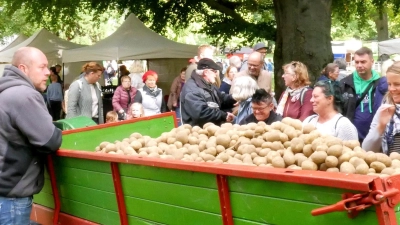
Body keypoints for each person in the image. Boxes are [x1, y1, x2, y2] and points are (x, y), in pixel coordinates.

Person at [0, 47, 62, 224]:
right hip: (12, 195)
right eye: (42, 67)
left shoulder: (5, 91)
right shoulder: (24, 95)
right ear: (23, 69)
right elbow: (50, 140)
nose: (47, 73)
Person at [340, 47, 388, 143]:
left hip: (377, 138)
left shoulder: (382, 84)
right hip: (351, 139)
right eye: (357, 62)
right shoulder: (345, 84)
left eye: (363, 62)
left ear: (372, 61)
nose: (359, 65)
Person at [180, 58, 236, 127]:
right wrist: (223, 115)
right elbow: (201, 114)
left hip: (210, 129)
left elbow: (221, 98)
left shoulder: (208, 84)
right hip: (197, 133)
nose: (216, 75)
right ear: (206, 72)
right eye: (214, 71)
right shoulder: (192, 90)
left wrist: (234, 98)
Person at [363, 61, 400, 154]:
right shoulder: (385, 109)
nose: (391, 89)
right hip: (391, 167)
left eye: (397, 84)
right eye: (389, 84)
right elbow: (366, 149)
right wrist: (381, 126)